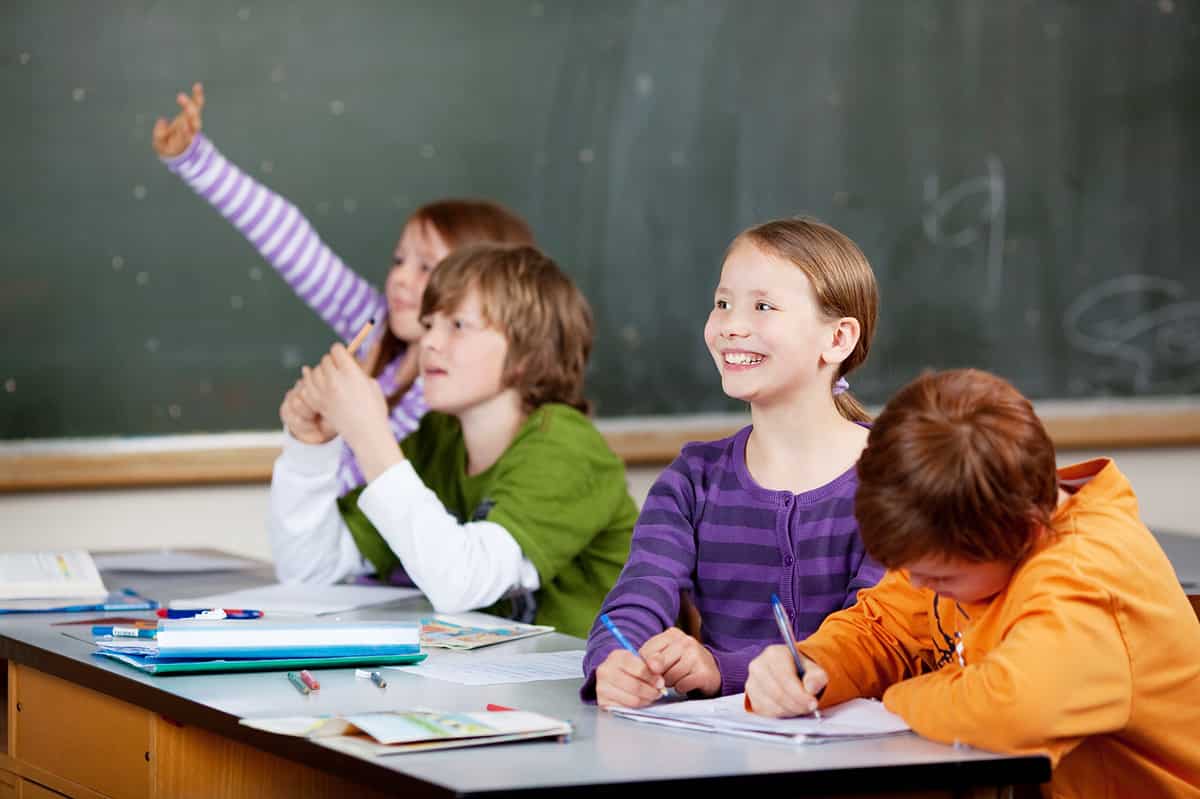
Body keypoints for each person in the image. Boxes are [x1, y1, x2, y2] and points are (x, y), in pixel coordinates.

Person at [744, 369, 1200, 799]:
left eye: (940, 578)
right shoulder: (961, 530)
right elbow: (882, 628)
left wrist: (899, 698)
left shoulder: (1084, 573)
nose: (919, 585)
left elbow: (1016, 708)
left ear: (1024, 531)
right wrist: (809, 665)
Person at [153, 83, 534, 493]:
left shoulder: (450, 389)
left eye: (427, 267)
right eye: (399, 260)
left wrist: (313, 454)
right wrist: (196, 162)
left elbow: (366, 491)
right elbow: (290, 241)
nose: (402, 278)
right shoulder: (376, 323)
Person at [583, 218, 885, 706]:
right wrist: (614, 660)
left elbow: (873, 641)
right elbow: (640, 594)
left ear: (838, 339)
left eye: (762, 306)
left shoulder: (896, 480)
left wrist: (720, 668)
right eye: (723, 303)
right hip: (727, 751)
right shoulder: (692, 480)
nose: (730, 325)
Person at [270, 243, 639, 638]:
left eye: (458, 326)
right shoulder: (439, 436)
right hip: (493, 682)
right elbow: (311, 570)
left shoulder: (567, 445)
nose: (429, 342)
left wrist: (369, 435)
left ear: (528, 354)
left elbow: (461, 582)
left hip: (589, 686)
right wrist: (310, 450)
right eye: (429, 324)